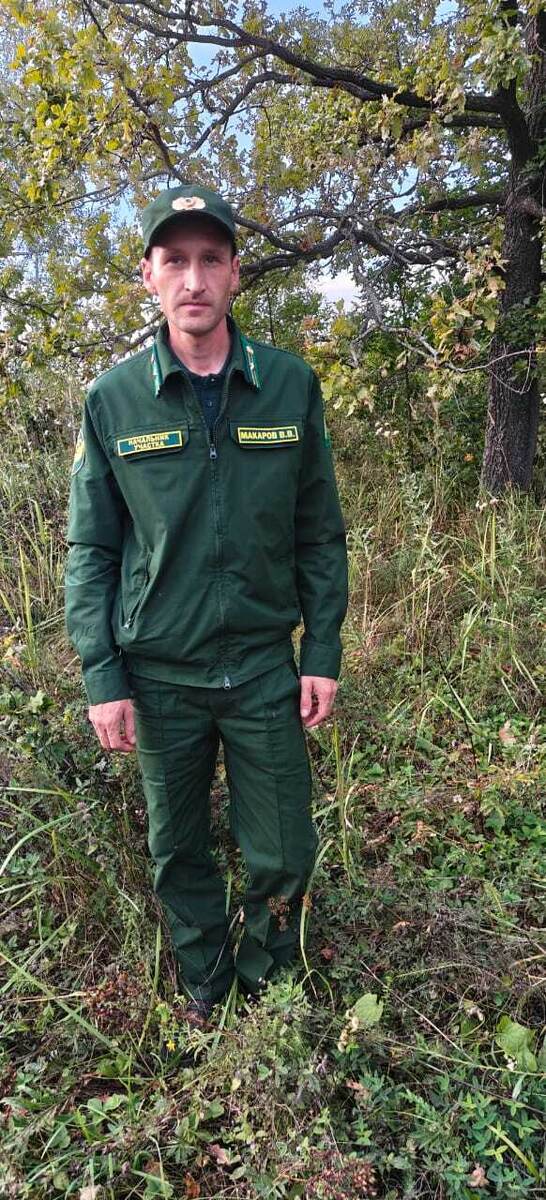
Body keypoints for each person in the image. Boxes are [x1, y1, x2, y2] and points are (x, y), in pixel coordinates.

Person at [65, 183, 348, 1022]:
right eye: (176, 260)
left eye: (211, 260)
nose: (194, 279)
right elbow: (92, 550)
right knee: (178, 849)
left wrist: (321, 653)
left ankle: (267, 988)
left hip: (262, 667)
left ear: (234, 274)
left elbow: (319, 533)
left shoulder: (288, 385)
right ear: (149, 275)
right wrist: (102, 676)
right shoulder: (113, 399)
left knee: (284, 848)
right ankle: (205, 986)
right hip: (160, 674)